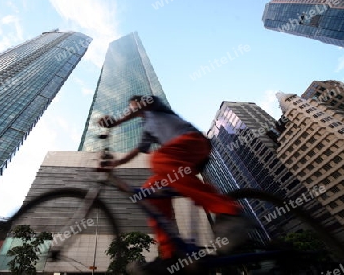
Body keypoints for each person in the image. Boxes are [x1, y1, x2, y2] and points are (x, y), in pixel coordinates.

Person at [98, 95, 250, 274]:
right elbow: (138, 150)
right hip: (179, 160)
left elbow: (141, 108)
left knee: (159, 159)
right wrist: (116, 163)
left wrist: (115, 122)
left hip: (194, 143)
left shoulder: (155, 105)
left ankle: (230, 212)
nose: (133, 110)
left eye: (134, 106)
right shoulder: (147, 127)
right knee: (150, 190)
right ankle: (171, 254)